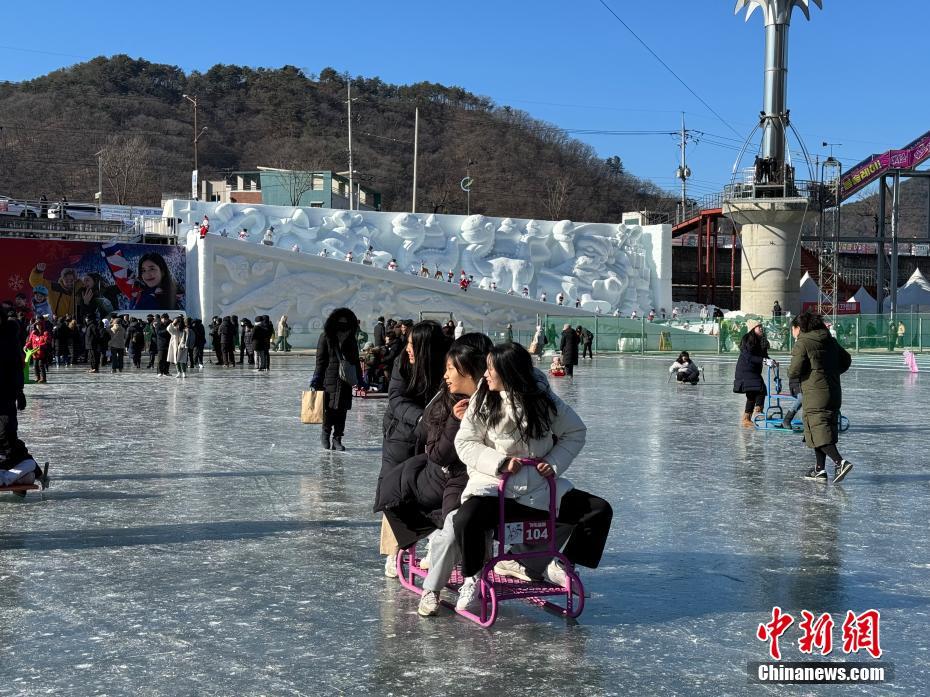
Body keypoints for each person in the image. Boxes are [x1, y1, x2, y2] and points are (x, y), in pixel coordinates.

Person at [451, 343, 612, 613]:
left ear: (509, 371)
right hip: (495, 488)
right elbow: (465, 442)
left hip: (539, 489)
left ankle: (562, 564)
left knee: (598, 510)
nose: (486, 375)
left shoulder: (544, 401)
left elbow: (576, 432)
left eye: (491, 369)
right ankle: (474, 577)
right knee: (467, 519)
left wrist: (553, 463)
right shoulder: (483, 399)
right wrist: (499, 463)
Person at [375, 320, 451, 577]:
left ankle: (435, 545)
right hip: (402, 434)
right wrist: (421, 419)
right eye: (407, 343)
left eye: (412, 345)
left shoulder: (446, 362)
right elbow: (396, 398)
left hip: (435, 436)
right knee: (393, 489)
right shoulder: (402, 362)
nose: (408, 349)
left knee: (433, 489)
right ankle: (394, 551)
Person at [788, 313, 854, 482]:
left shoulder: (803, 342)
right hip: (833, 391)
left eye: (793, 329)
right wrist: (829, 373)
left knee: (817, 429)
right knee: (822, 428)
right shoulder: (829, 340)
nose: (792, 333)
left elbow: (794, 370)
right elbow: (846, 360)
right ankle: (820, 469)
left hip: (815, 393)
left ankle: (840, 462)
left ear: (799, 328)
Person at [310, 308, 365, 451]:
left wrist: (360, 379)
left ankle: (337, 438)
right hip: (329, 378)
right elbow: (320, 361)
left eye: (346, 323)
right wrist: (316, 379)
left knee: (342, 411)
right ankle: (325, 433)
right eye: (340, 323)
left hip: (345, 381)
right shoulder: (325, 337)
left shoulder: (351, 339)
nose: (343, 326)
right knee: (328, 410)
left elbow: (355, 362)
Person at [1, 310, 35, 493]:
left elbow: (15, 367)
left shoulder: (8, 338)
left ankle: (21, 470)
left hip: (5, 393)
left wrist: (19, 392)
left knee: (7, 434)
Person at [733, 320, 772, 427]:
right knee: (757, 390)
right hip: (745, 370)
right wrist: (764, 361)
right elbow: (749, 357)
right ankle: (753, 415)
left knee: (756, 391)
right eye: (758, 327)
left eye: (761, 327)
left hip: (753, 370)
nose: (761, 329)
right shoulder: (747, 339)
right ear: (752, 328)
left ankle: (750, 416)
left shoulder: (761, 340)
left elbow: (764, 355)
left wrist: (770, 361)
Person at [25, 317, 51, 384]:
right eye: (36, 325)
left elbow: (47, 342)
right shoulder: (33, 333)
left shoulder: (45, 333)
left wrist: (40, 346)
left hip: (42, 352)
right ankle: (37, 377)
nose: (38, 326)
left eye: (39, 324)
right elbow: (29, 341)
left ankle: (43, 378)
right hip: (34, 353)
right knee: (35, 365)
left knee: (41, 365)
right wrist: (26, 346)